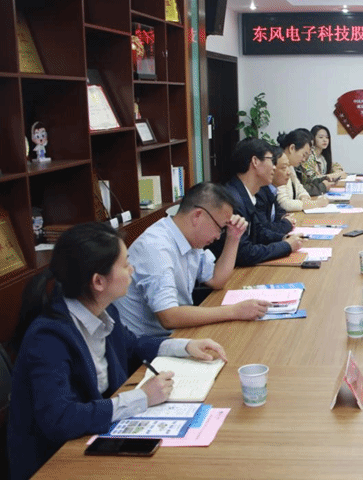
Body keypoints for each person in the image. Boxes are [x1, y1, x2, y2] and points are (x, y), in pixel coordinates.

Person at [7, 222, 227, 480]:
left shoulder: (103, 309)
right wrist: (141, 398)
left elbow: (132, 345)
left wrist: (185, 346)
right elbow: (60, 419)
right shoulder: (49, 337)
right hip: (56, 462)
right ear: (98, 281)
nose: (132, 270)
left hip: (95, 439)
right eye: (125, 265)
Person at [115, 182, 272, 338]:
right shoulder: (156, 247)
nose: (218, 236)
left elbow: (217, 280)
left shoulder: (188, 239)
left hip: (176, 333)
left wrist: (234, 237)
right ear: (197, 216)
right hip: (146, 345)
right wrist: (234, 311)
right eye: (220, 227)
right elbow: (169, 316)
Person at [209, 138, 303, 266]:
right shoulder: (231, 199)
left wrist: (283, 238)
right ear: (255, 161)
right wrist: (286, 246)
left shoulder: (245, 192)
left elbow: (258, 232)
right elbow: (244, 253)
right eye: (271, 160)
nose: (274, 167)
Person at [273, 129, 331, 212]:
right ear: (292, 148)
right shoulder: (279, 166)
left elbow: (300, 189)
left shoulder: (290, 166)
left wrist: (304, 197)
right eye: (304, 155)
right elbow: (284, 204)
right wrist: (316, 203)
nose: (304, 159)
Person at [300, 124, 347, 193]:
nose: (325, 140)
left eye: (327, 137)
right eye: (321, 137)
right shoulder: (309, 156)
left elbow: (335, 166)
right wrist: (331, 176)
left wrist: (337, 171)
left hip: (321, 191)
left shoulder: (322, 157)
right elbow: (311, 179)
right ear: (313, 139)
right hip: (310, 191)